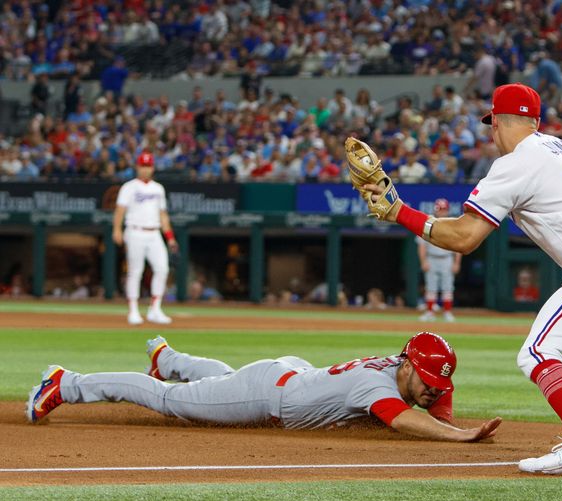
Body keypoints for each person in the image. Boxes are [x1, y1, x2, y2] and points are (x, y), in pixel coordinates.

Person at [353, 83, 562, 475]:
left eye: (491, 124)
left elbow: (465, 237)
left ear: (497, 122)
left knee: (537, 353)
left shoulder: (515, 162)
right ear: (535, 122)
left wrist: (397, 211)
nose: (491, 132)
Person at [26, 333, 502, 443]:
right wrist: (459, 435)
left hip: (286, 375)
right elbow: (404, 418)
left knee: (222, 379)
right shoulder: (374, 385)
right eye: (429, 380)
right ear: (409, 365)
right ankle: (66, 383)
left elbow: (429, 396)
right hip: (268, 393)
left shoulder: (401, 369)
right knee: (168, 401)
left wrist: (439, 398)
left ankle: (168, 359)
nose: (434, 390)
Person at [113, 152, 179, 325]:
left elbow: (163, 215)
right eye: (143, 165)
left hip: (154, 232)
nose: (145, 169)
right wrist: (117, 229)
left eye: (148, 166)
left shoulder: (158, 188)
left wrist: (170, 237)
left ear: (153, 168)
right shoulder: (129, 187)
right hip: (135, 230)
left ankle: (155, 309)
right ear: (137, 167)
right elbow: (120, 210)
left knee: (162, 268)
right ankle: (133, 310)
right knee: (135, 271)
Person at [417, 199, 462, 322]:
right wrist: (423, 261)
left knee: (447, 287)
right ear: (435, 210)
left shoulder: (453, 224)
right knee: (431, 287)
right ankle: (430, 312)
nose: (442, 212)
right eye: (439, 210)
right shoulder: (428, 223)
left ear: (447, 210)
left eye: (444, 210)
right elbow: (422, 245)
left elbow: (458, 246)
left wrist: (456, 262)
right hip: (432, 257)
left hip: (447, 258)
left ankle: (447, 312)